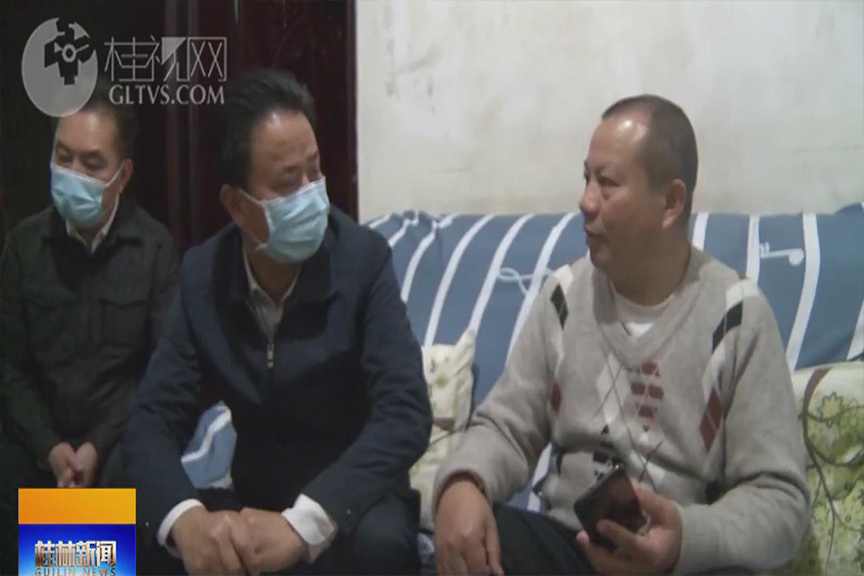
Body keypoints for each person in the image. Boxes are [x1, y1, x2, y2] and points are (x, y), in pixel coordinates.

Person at [433, 95, 809, 576]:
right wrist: (465, 483)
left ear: (670, 202)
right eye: (586, 178)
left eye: (607, 183)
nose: (586, 201)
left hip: (681, 564)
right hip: (570, 550)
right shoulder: (564, 297)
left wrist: (686, 539)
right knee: (487, 537)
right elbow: (505, 427)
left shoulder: (738, 317)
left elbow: (780, 500)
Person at [123, 69, 432, 576]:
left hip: (349, 509)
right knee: (65, 538)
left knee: (380, 551)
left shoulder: (362, 261)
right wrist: (185, 521)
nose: (311, 194)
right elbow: (151, 418)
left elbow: (406, 414)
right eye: (288, 182)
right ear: (236, 205)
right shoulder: (204, 276)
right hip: (253, 506)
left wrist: (303, 527)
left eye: (315, 171)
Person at [0, 78, 179, 574]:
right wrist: (50, 447)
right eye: (64, 157)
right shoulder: (23, 247)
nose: (73, 173)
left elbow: (159, 373)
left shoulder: (155, 251)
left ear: (123, 175)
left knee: (137, 485)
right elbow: (9, 367)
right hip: (37, 443)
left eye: (92, 163)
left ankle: (67, 563)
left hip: (115, 443)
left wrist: (96, 445)